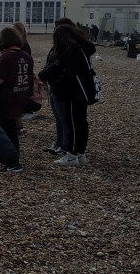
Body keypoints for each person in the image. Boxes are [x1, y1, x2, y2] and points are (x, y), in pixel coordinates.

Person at [38, 24, 97, 168]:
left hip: (73, 92)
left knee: (72, 124)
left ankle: (71, 155)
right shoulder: (83, 47)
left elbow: (67, 72)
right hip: (84, 90)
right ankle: (80, 153)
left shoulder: (72, 49)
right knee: (81, 123)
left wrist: (56, 85)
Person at [0, 27, 34, 173]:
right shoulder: (26, 56)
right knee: (12, 130)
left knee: (8, 132)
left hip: (6, 99)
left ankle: (13, 162)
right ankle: (14, 160)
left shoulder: (5, 57)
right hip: (21, 96)